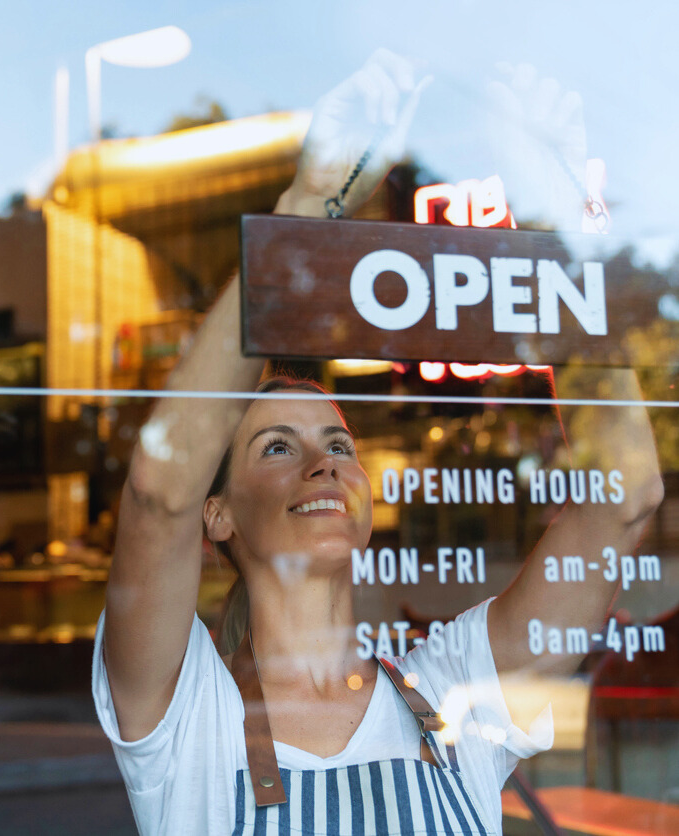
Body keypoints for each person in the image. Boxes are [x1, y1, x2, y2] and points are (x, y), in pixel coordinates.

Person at [92, 50, 663, 835]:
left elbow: (625, 499)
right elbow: (159, 493)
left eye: (338, 443)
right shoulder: (184, 710)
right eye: (277, 448)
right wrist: (308, 204)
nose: (325, 460)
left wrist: (548, 220)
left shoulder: (453, 689)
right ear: (216, 514)